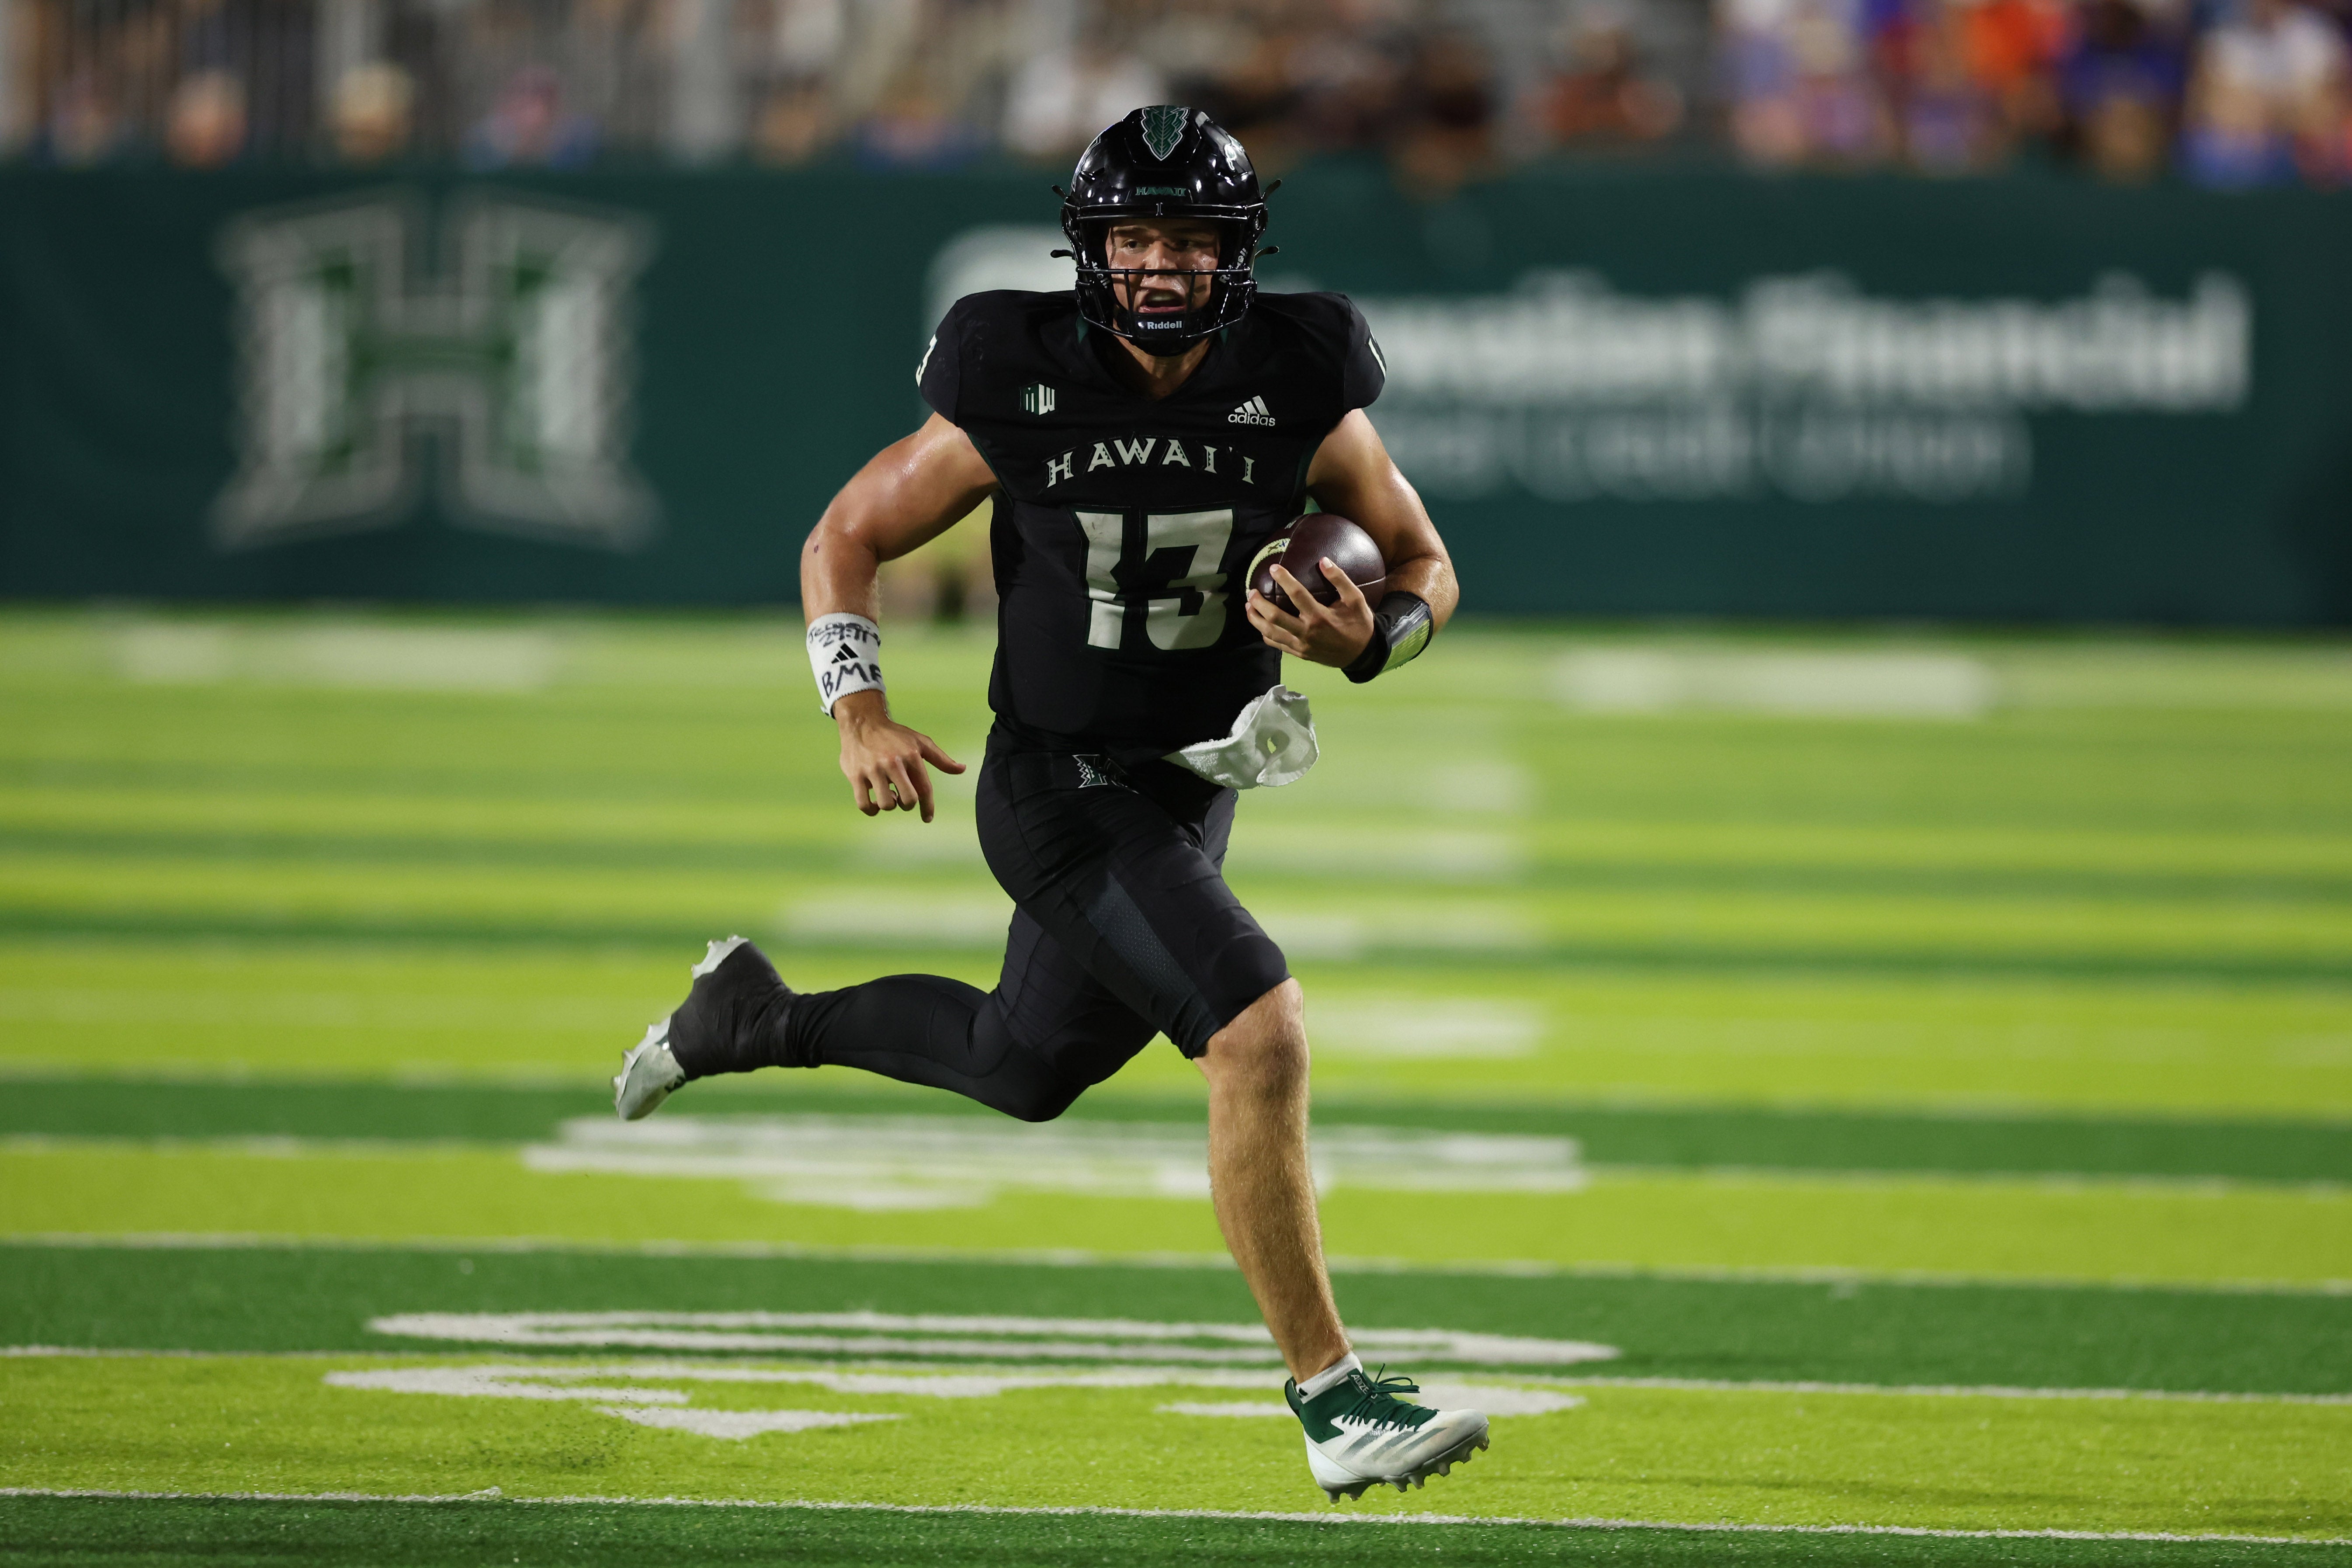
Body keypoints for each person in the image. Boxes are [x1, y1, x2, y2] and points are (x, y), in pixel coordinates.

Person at [611, 105, 1478, 1502]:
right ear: (1090, 247)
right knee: (1258, 1030)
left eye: (1187, 239)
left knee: (1022, 1064)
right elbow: (846, 533)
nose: (1159, 265)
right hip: (1056, 784)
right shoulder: (1015, 370)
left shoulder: (1301, 368)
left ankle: (748, 1015)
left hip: (1190, 785)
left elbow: (1427, 560)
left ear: (1237, 253)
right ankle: (1334, 1401)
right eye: (1133, 238)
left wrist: (1375, 637)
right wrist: (858, 710)